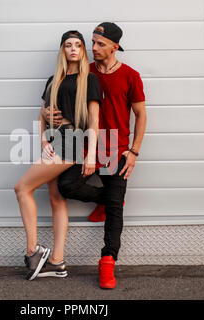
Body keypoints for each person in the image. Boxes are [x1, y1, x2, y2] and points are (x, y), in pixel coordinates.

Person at [41, 22, 147, 289]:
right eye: (93, 42)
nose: (94, 48)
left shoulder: (130, 75)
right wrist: (46, 114)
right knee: (67, 186)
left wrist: (134, 151)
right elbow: (60, 98)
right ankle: (109, 201)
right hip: (84, 147)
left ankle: (108, 262)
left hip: (116, 149)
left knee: (113, 212)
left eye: (100, 43)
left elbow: (141, 115)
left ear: (115, 46)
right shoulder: (85, 74)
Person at [14, 30, 102, 280]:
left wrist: (91, 155)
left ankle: (33, 252)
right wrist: (43, 139)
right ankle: (57, 262)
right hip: (54, 142)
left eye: (78, 45)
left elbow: (94, 121)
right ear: (62, 50)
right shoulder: (54, 80)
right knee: (56, 199)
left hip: (71, 143)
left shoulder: (90, 80)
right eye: (68, 45)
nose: (73, 49)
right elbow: (41, 114)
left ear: (83, 50)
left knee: (22, 188)